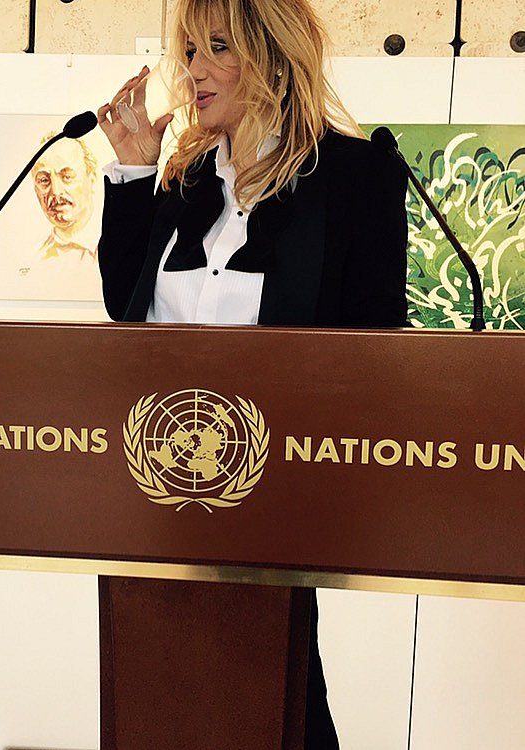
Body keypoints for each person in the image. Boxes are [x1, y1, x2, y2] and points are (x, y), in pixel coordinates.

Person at [96, 0, 408, 747]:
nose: (194, 71)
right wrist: (135, 170)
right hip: (157, 504)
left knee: (275, 700)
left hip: (275, 508)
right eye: (189, 51)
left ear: (272, 55)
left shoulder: (354, 176)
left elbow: (376, 347)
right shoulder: (186, 178)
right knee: (157, 700)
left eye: (217, 48)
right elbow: (128, 309)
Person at [31, 135, 99, 261]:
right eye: (44, 180)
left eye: (67, 177)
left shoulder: (118, 241)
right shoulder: (35, 258)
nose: (56, 192)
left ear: (92, 180)